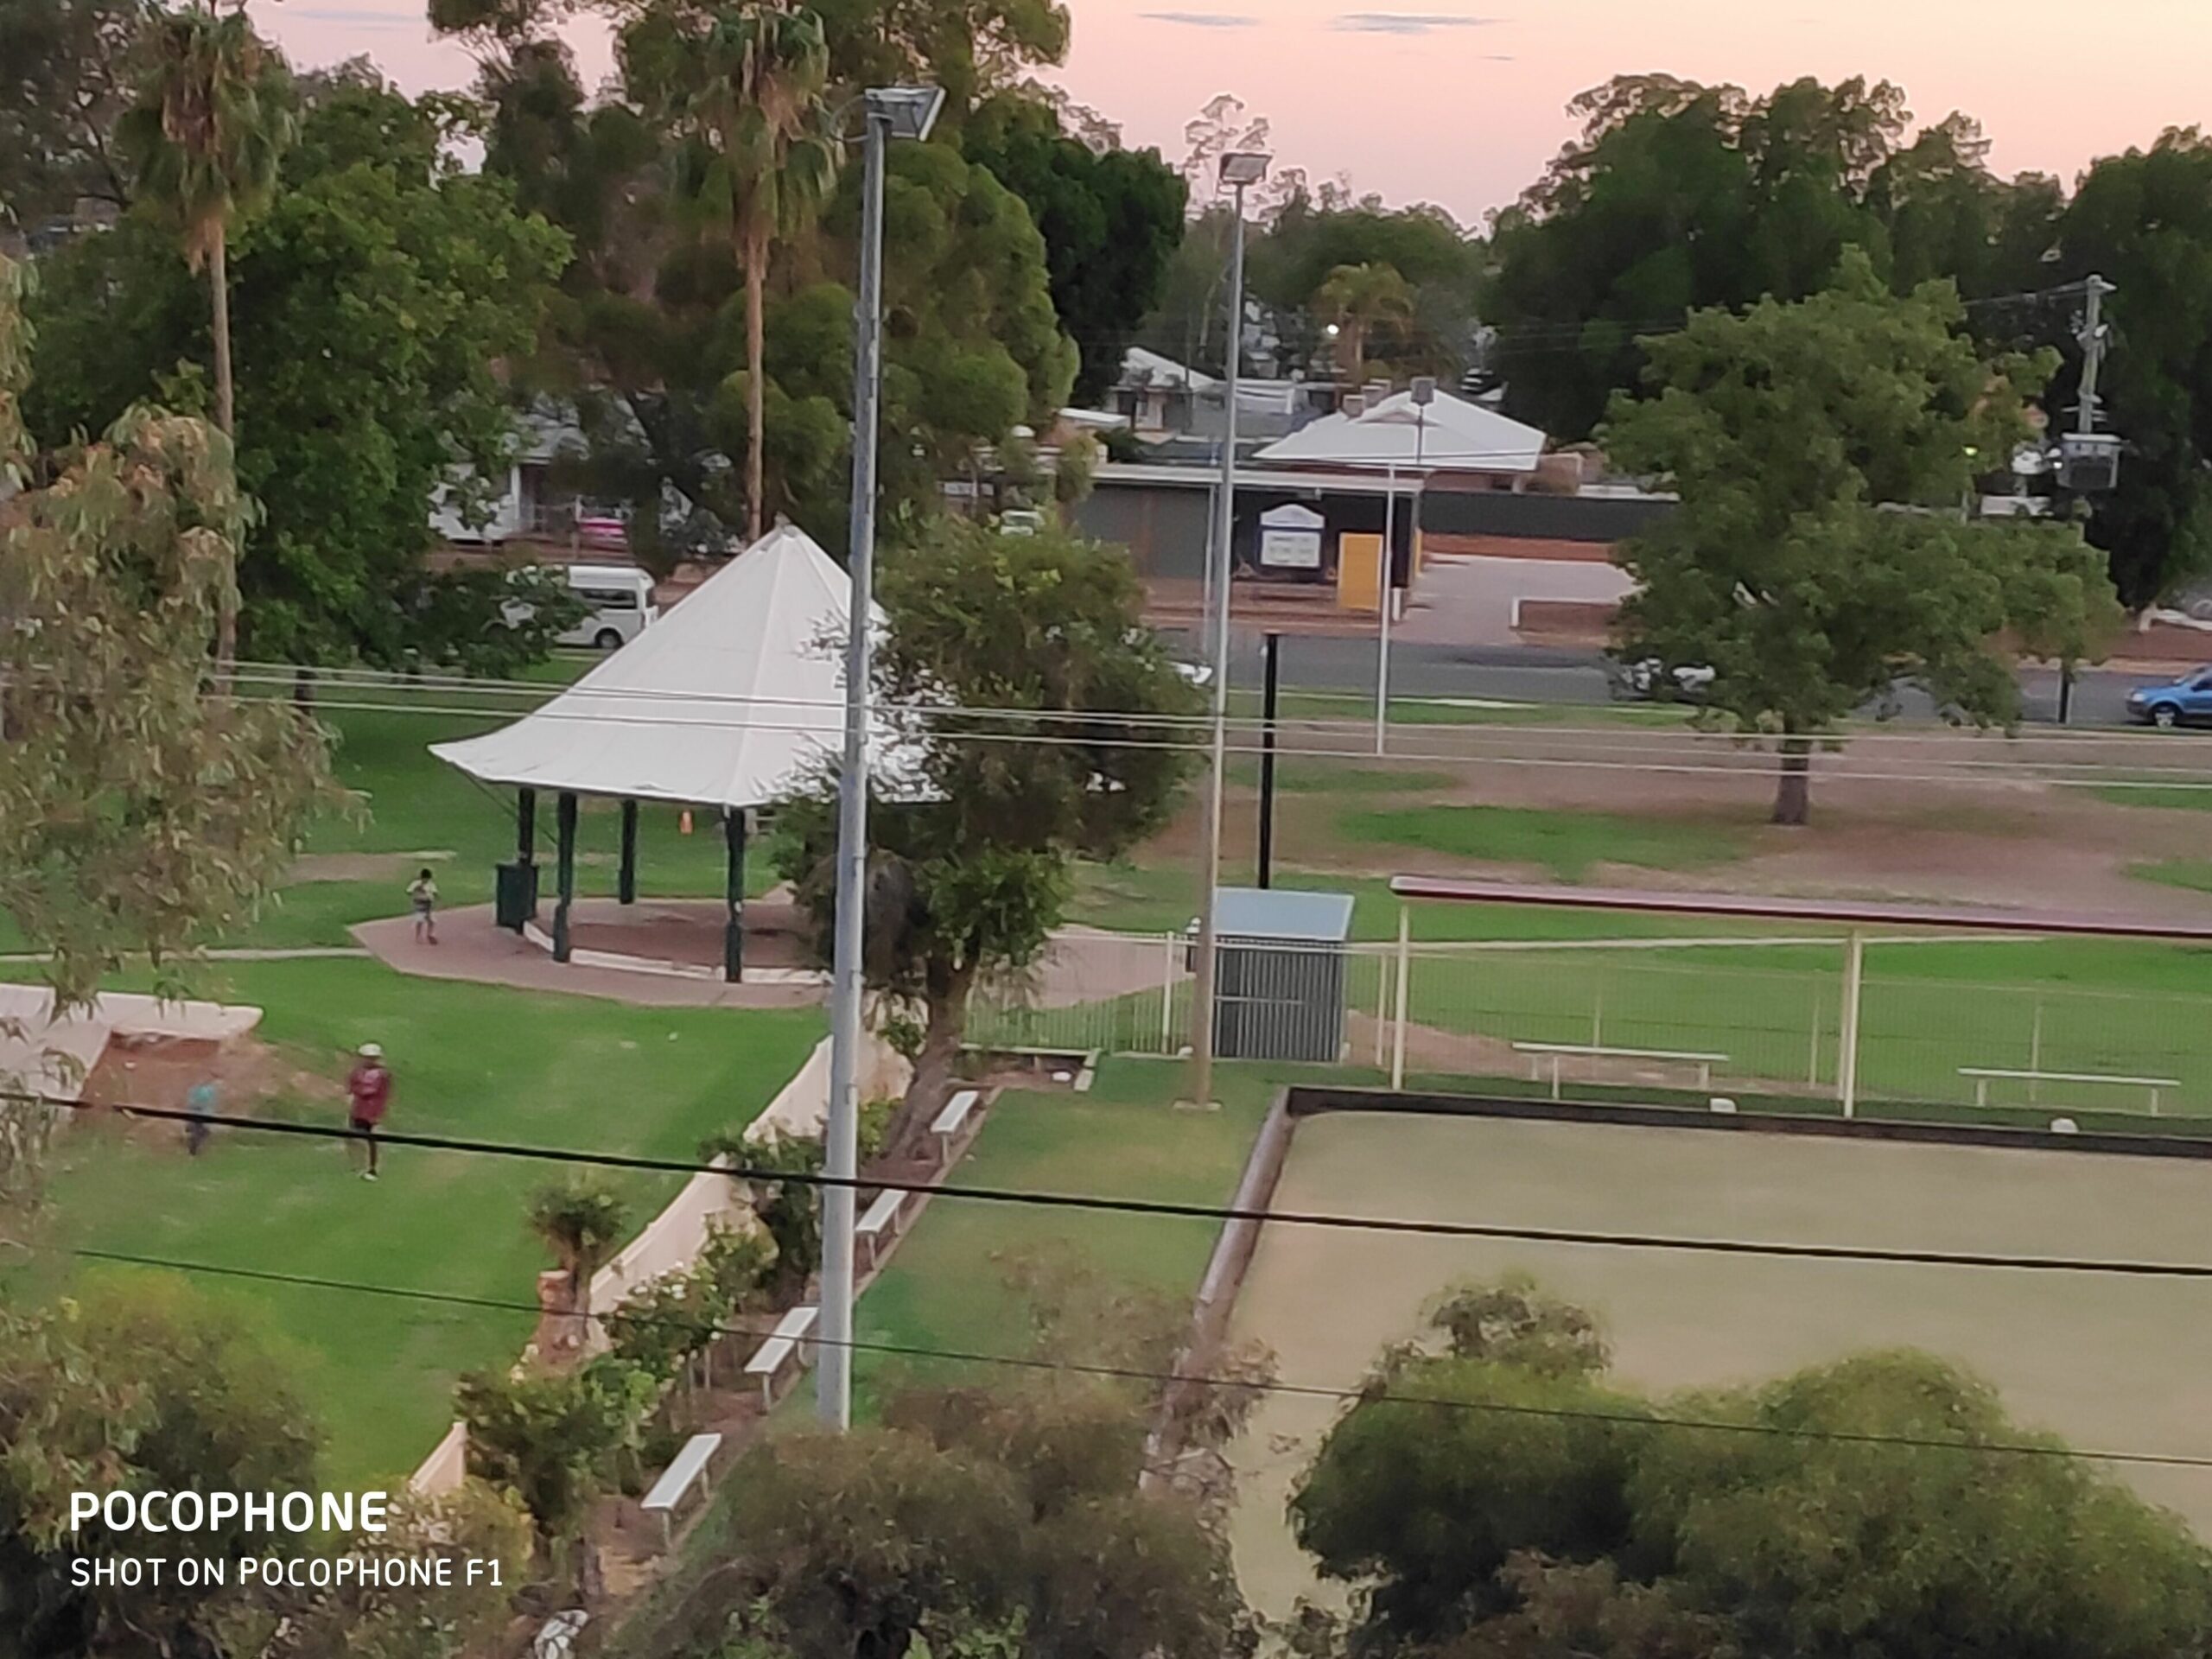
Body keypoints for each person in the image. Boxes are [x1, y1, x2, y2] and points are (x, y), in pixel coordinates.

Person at [346, 1042, 391, 1181]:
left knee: (373, 1140)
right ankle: (357, 1165)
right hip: (358, 1109)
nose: (369, 1060)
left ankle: (373, 1168)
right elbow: (351, 1086)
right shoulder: (357, 1072)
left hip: (373, 1112)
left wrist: (357, 1090)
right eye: (366, 1057)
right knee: (352, 1137)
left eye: (372, 1057)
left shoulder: (381, 1074)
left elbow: (370, 1090)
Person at [184, 1079, 217, 1157]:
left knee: (199, 1131)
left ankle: (193, 1149)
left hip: (198, 1112)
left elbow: (191, 1104)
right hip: (200, 1113)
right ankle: (193, 1148)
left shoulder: (196, 1091)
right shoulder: (207, 1091)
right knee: (201, 1131)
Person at [408, 867, 439, 945]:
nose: (426, 880)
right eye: (425, 879)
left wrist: (435, 898)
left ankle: (430, 934)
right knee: (420, 920)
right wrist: (417, 889)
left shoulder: (431, 884)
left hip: (428, 903)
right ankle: (418, 936)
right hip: (419, 903)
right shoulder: (416, 883)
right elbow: (409, 891)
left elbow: (435, 893)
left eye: (428, 879)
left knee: (432, 920)